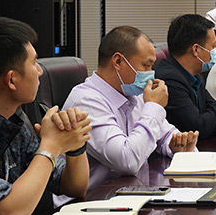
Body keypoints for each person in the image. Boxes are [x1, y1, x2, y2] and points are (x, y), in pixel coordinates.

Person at [0, 17, 91, 215]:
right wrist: (51, 146)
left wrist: (73, 145)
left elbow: (74, 187)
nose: (40, 71)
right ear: (11, 80)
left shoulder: (15, 121)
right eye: (34, 63)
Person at [64, 26, 198, 187]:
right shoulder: (86, 102)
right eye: (146, 66)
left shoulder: (134, 93)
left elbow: (166, 134)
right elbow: (127, 161)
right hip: (95, 198)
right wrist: (154, 107)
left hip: (134, 192)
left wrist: (176, 146)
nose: (151, 74)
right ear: (118, 61)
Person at [154, 14, 216, 137]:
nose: (215, 52)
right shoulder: (169, 80)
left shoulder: (195, 75)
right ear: (196, 50)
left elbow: (213, 119)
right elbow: (198, 128)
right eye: (213, 46)